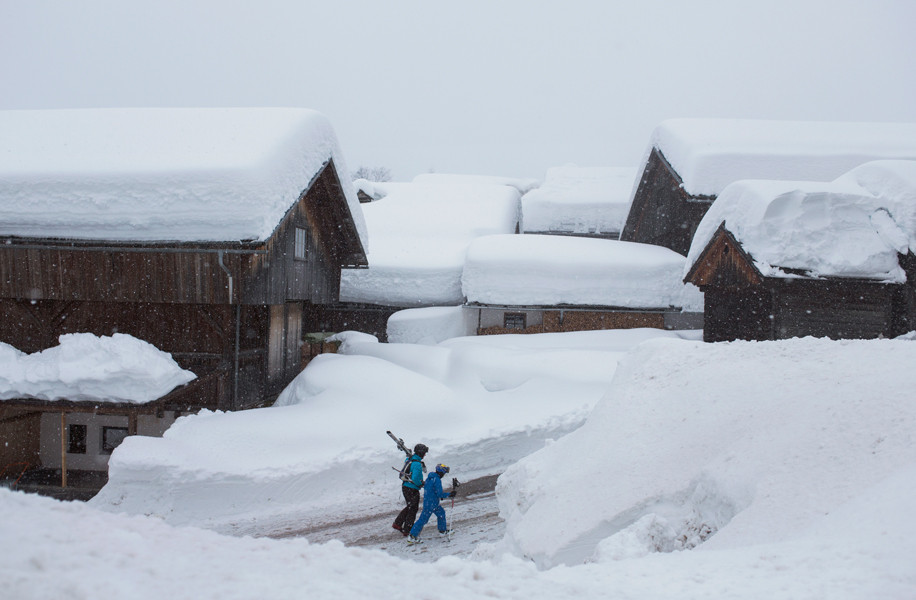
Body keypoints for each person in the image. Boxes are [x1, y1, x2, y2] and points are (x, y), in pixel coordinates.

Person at [407, 463, 456, 543]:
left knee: (441, 514)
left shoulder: (430, 478)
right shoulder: (436, 480)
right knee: (423, 520)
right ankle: (412, 536)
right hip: (431, 504)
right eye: (443, 473)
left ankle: (442, 531)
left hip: (431, 503)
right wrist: (449, 495)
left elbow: (432, 490)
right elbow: (439, 493)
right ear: (440, 473)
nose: (443, 475)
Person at [392, 443, 428, 535]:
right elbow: (415, 478)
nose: (425, 455)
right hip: (412, 488)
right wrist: (421, 484)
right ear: (421, 453)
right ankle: (407, 529)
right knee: (413, 508)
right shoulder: (417, 464)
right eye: (424, 453)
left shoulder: (410, 459)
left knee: (410, 506)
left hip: (405, 486)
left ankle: (398, 523)